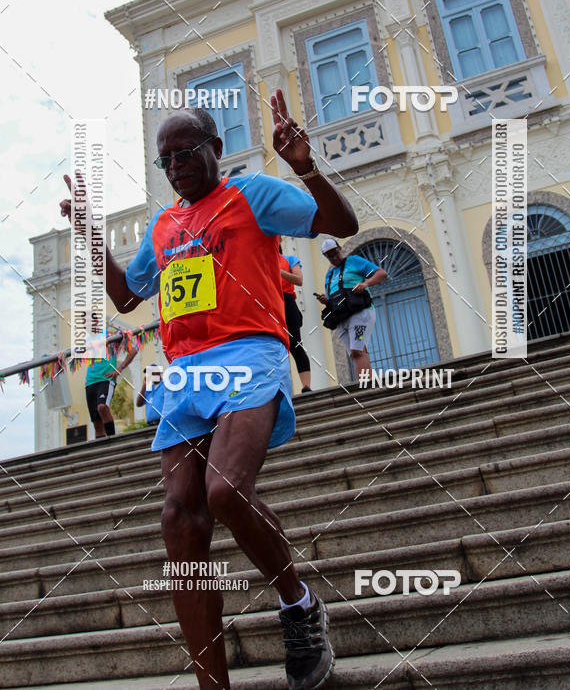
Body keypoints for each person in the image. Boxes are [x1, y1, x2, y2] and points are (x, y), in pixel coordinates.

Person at [59, 89, 358, 690]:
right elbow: (125, 296)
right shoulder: (165, 224)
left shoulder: (250, 194)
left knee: (225, 490)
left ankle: (298, 605)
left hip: (250, 354)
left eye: (186, 152)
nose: (176, 167)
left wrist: (304, 166)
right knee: (180, 519)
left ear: (216, 148)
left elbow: (340, 224)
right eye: (165, 160)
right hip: (187, 372)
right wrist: (91, 232)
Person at [316, 239, 387, 379]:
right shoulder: (329, 275)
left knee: (356, 351)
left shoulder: (354, 261)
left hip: (360, 313)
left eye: (335, 253)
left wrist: (365, 284)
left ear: (340, 249)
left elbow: (381, 273)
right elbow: (334, 300)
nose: (334, 258)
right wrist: (326, 301)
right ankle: (370, 383)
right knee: (357, 353)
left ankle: (364, 387)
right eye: (329, 256)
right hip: (342, 317)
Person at [85, 340, 138, 439]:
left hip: (106, 379)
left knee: (102, 407)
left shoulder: (111, 336)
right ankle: (101, 450)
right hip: (90, 381)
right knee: (97, 422)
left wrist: (119, 369)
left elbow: (133, 351)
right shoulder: (87, 340)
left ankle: (113, 441)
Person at [279, 243, 311, 393]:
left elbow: (299, 279)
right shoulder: (260, 260)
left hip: (287, 302)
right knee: (275, 346)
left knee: (295, 344)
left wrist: (278, 272)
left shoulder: (290, 259)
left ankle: (306, 386)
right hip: (270, 302)